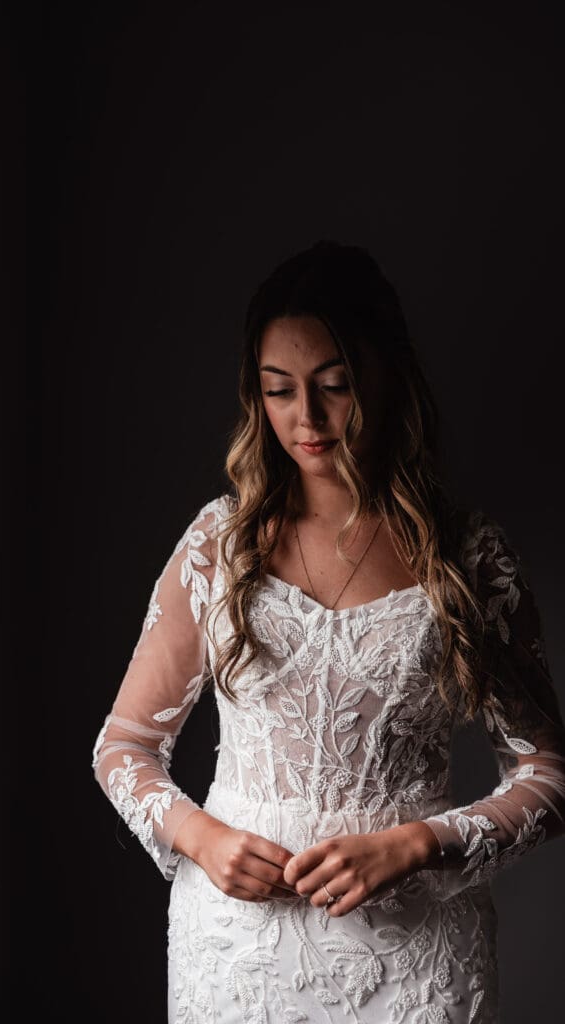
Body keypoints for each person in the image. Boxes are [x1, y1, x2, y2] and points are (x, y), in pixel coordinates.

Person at [91, 240, 565, 1023]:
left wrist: (419, 844)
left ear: (387, 378)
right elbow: (123, 747)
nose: (304, 419)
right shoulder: (219, 544)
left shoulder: (468, 558)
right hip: (239, 951)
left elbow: (548, 773)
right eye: (278, 391)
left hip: (415, 956)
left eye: (333, 387)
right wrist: (204, 839)